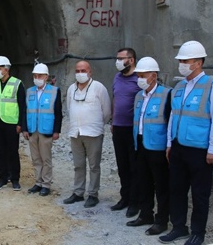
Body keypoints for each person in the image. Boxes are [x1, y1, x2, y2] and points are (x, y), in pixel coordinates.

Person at [159, 41, 213, 245]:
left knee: (199, 193)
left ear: (198, 62)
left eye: (185, 61)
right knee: (177, 189)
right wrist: (170, 143)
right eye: (181, 61)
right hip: (178, 147)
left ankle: (198, 233)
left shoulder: (212, 86)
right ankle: (179, 227)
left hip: (200, 150)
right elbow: (172, 117)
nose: (181, 64)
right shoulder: (179, 87)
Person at [125, 57, 170, 236]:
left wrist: (168, 146)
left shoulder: (167, 94)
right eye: (138, 75)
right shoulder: (139, 96)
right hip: (141, 144)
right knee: (143, 182)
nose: (140, 78)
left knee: (161, 185)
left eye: (143, 75)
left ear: (153, 75)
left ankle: (162, 220)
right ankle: (146, 214)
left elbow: (170, 122)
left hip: (158, 147)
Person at [63, 60, 111, 208]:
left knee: (94, 165)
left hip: (93, 133)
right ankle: (78, 192)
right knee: (78, 165)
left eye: (83, 70)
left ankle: (93, 194)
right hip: (76, 132)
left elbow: (107, 111)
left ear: (90, 72)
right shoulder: (72, 89)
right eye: (77, 70)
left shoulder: (98, 87)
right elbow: (69, 108)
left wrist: (96, 124)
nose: (80, 73)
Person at [0, 56, 25, 191]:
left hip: (11, 123)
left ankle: (15, 179)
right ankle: (3, 178)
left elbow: (22, 106)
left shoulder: (17, 84)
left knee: (12, 151)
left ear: (6, 69)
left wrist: (20, 124)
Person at [23, 63, 63, 197]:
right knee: (36, 158)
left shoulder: (54, 91)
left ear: (46, 77)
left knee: (46, 159)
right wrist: (25, 128)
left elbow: (58, 112)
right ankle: (38, 182)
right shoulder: (29, 91)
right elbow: (25, 111)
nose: (37, 78)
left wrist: (56, 131)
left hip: (46, 130)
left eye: (39, 75)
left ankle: (46, 184)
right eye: (35, 75)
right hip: (32, 129)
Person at [111, 48, 141, 217]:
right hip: (118, 127)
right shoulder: (117, 77)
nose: (118, 61)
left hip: (133, 129)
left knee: (134, 166)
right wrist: (113, 121)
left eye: (121, 58)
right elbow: (115, 98)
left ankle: (135, 202)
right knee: (122, 166)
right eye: (117, 58)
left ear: (131, 60)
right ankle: (125, 197)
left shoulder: (139, 78)